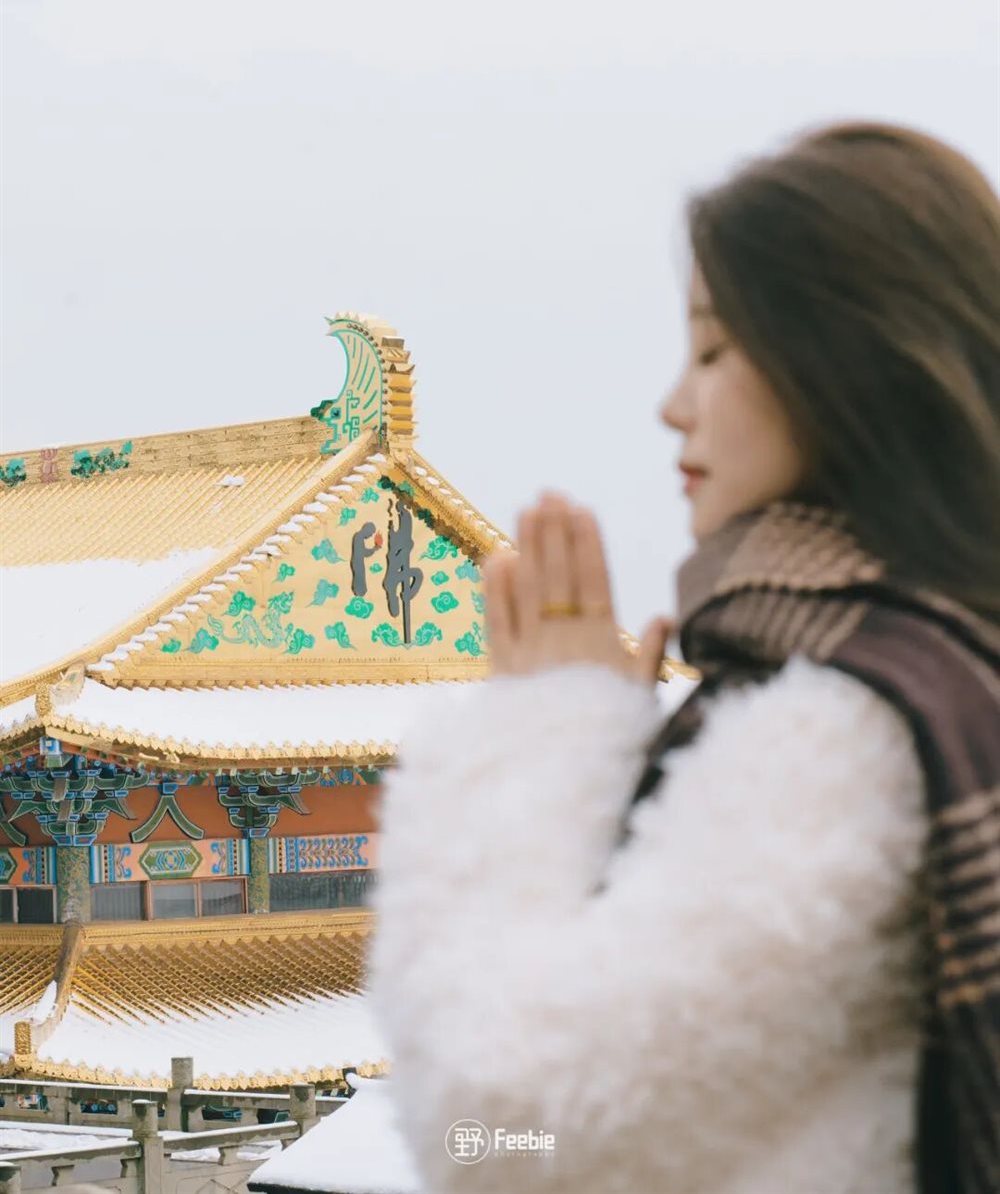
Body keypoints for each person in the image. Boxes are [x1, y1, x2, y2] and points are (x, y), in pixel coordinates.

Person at [368, 121, 1000, 1194]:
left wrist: (543, 734)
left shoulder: (837, 736)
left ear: (840, 364)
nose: (672, 406)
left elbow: (496, 1120)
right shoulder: (945, 664)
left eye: (712, 351)